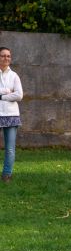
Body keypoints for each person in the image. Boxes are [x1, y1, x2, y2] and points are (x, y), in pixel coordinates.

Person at [0, 47, 24, 183]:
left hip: (11, 115)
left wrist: (1, 97)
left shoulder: (14, 76)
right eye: (3, 56)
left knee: (10, 148)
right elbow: (12, 94)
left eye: (8, 56)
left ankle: (6, 174)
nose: (6, 58)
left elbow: (19, 95)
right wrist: (6, 91)